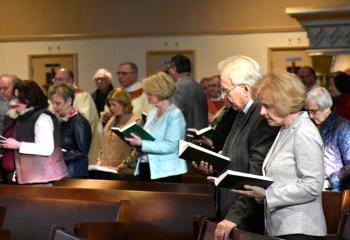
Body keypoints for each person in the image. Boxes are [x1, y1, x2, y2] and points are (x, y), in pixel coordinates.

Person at [233, 71, 326, 239]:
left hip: (300, 230)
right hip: (284, 228)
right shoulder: (286, 128)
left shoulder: (304, 132)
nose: (261, 112)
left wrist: (267, 195)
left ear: (285, 103)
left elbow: (313, 185)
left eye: (267, 106)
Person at [194, 56, 279, 238]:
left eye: (226, 90)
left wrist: (235, 217)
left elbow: (256, 175)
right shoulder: (241, 112)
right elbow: (234, 158)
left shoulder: (261, 117)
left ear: (246, 88)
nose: (224, 96)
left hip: (247, 221)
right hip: (232, 212)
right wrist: (213, 167)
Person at [0, 80, 68, 184]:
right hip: (21, 178)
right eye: (15, 98)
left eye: (20, 99)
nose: (15, 102)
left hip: (39, 179)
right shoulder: (19, 116)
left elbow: (46, 148)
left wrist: (18, 145)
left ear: (30, 99)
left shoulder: (42, 117)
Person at [125, 72, 187, 182]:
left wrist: (142, 143)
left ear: (160, 92)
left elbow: (171, 146)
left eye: (150, 93)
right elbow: (149, 137)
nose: (147, 96)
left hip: (166, 172)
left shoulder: (174, 114)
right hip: (147, 167)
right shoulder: (152, 112)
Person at [53, 68, 102, 164]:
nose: (57, 82)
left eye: (61, 79)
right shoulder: (55, 97)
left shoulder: (83, 96)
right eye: (55, 79)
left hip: (74, 155)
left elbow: (86, 120)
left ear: (71, 80)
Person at [305, 87, 350, 191]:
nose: (310, 116)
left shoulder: (343, 127)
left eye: (313, 111)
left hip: (334, 193)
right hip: (312, 189)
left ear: (326, 107)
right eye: (307, 111)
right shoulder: (310, 125)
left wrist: (329, 182)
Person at [96, 87, 141, 179]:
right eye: (110, 105)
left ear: (124, 104)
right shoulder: (112, 120)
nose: (111, 108)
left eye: (114, 105)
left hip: (125, 174)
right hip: (106, 170)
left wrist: (122, 166)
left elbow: (138, 151)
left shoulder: (136, 121)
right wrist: (99, 161)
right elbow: (104, 145)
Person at [48, 84, 91, 178]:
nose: (54, 107)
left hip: (74, 172)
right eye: (53, 103)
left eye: (58, 103)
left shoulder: (79, 122)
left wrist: (58, 156)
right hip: (62, 169)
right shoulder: (60, 120)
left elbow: (82, 152)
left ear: (69, 101)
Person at [167, 55, 208, 129]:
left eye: (169, 69)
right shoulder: (198, 85)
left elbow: (174, 115)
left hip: (186, 135)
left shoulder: (177, 87)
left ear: (174, 69)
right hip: (201, 134)